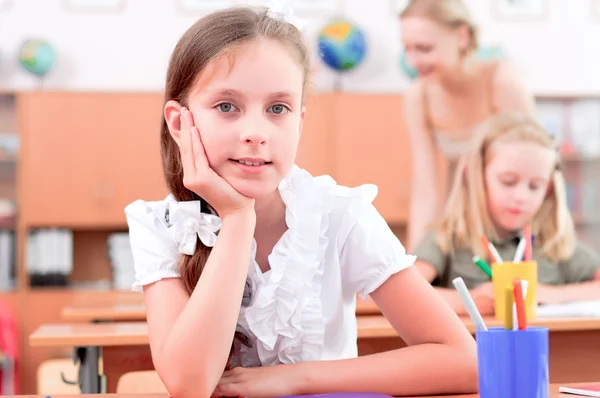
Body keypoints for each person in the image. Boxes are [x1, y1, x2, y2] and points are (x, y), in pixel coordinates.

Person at [124, 3, 477, 398]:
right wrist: (238, 220)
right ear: (179, 122)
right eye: (227, 106)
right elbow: (190, 386)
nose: (256, 132)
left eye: (278, 108)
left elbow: (464, 361)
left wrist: (296, 378)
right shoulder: (161, 225)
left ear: (300, 122)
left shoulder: (340, 214)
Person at [412, 113, 600, 316]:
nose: (521, 196)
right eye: (508, 182)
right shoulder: (447, 237)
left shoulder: (553, 243)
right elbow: (406, 292)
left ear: (548, 190)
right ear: (475, 178)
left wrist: (547, 294)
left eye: (535, 186)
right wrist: (468, 301)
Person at [399, 0, 536, 249]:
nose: (412, 61)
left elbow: (536, 170)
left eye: (424, 48)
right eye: (407, 49)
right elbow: (425, 191)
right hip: (460, 218)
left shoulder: (501, 80)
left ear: (462, 37)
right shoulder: (418, 97)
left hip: (513, 220)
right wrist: (413, 260)